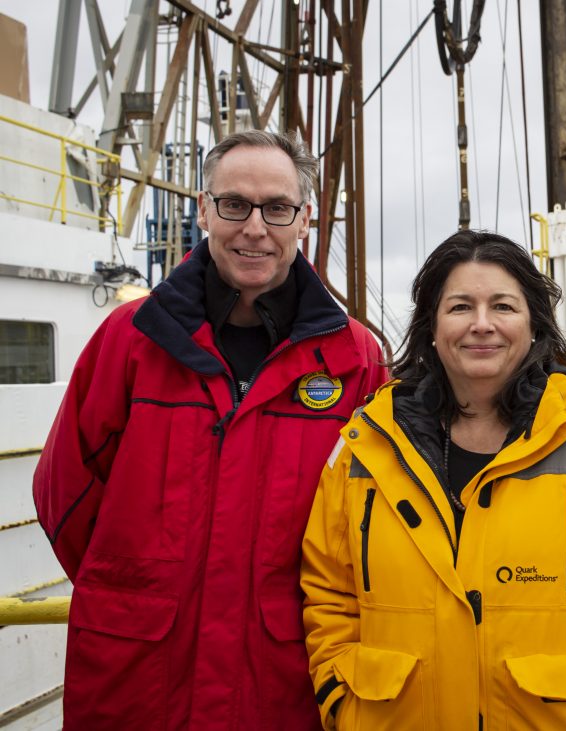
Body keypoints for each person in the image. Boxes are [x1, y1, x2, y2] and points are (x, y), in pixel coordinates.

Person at [33, 129, 388, 729]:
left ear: (305, 219)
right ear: (203, 209)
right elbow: (63, 492)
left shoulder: (353, 359)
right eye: (234, 205)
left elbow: (373, 525)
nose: (255, 228)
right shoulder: (132, 339)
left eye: (277, 208)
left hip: (281, 679)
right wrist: (134, 589)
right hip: (139, 675)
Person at [301, 230, 566, 730]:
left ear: (533, 326)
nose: (482, 325)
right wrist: (342, 700)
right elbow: (328, 590)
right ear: (432, 327)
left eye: (503, 306)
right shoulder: (367, 444)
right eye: (460, 307)